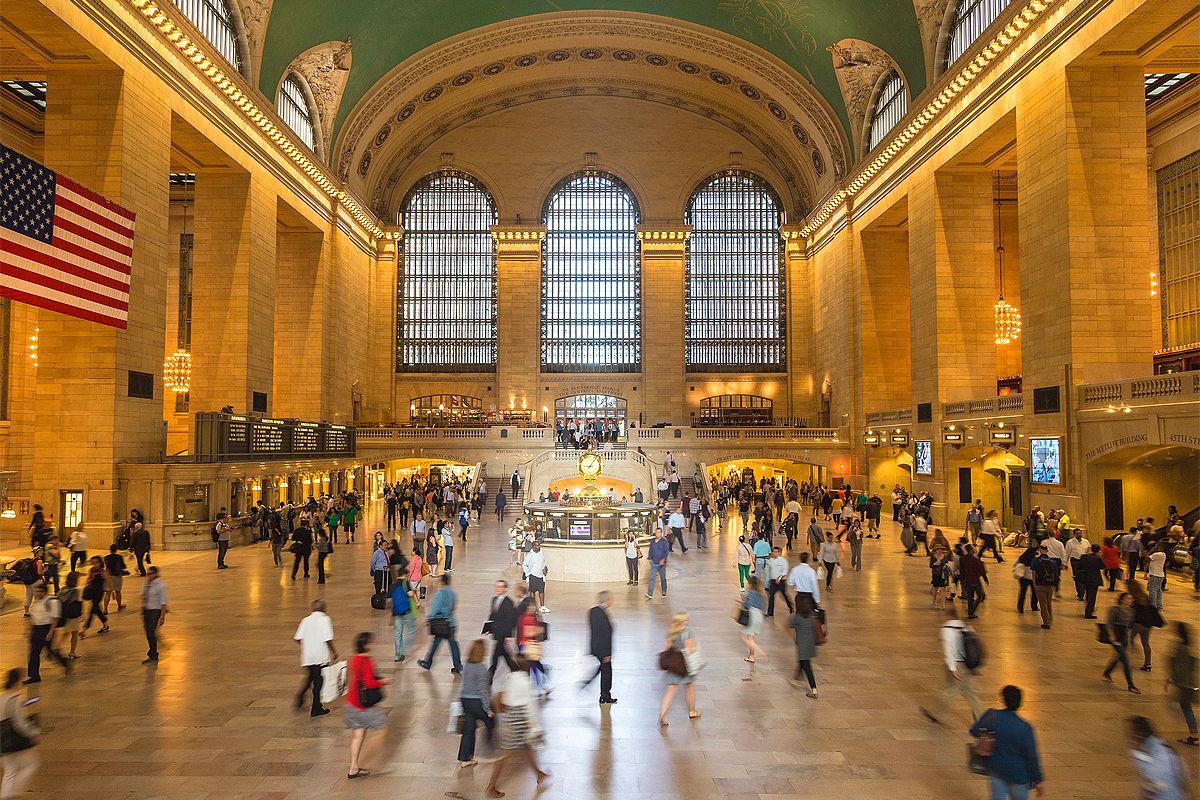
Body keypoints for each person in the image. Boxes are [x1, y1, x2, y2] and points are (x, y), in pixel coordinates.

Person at [485, 656, 548, 797]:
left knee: (527, 746)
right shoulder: (526, 682)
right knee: (505, 753)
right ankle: (491, 787)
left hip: (512, 716)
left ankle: (538, 773)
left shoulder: (511, 677)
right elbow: (530, 707)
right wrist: (537, 727)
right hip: (520, 719)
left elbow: (506, 698)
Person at [969, 685, 1045, 800]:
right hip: (1019, 775)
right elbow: (1032, 756)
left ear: (1003, 700)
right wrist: (1038, 780)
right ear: (1020, 703)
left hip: (997, 769)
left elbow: (974, 731)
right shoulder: (1025, 728)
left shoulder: (991, 715)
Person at [920, 606, 984, 724]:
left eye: (943, 613)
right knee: (971, 693)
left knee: (950, 690)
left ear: (948, 615)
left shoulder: (946, 629)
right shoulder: (964, 625)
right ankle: (981, 721)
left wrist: (952, 668)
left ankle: (935, 713)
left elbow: (949, 649)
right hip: (967, 664)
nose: (941, 615)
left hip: (957, 665)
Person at [344, 631, 388, 780]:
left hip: (351, 704)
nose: (373, 644)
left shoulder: (352, 659)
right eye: (371, 642)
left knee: (358, 735)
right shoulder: (367, 661)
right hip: (364, 706)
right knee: (381, 731)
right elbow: (370, 683)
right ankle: (372, 756)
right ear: (366, 645)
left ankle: (353, 767)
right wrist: (384, 681)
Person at [1126, 715, 1193, 800]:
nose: (1129, 741)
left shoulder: (1159, 758)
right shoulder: (1158, 746)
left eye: (1131, 736)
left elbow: (1155, 787)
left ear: (1139, 736)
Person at [1, 668, 41, 798]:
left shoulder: (2, 697)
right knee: (31, 764)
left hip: (2, 741)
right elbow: (19, 723)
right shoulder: (16, 699)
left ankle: (5, 796)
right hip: (13, 739)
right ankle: (15, 792)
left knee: (9, 771)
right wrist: (33, 733)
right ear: (18, 682)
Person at [294, 598, 337, 716]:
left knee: (311, 677)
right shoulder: (325, 619)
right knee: (318, 682)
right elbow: (328, 638)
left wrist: (307, 645)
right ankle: (316, 708)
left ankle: (301, 697)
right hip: (320, 656)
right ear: (323, 608)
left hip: (308, 656)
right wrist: (333, 652)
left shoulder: (305, 620)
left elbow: (297, 638)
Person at [457, 639, 495, 768]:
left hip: (465, 700)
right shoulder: (482, 668)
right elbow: (483, 690)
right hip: (476, 701)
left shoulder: (467, 665)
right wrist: (488, 709)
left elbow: (464, 684)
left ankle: (465, 757)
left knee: (469, 729)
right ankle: (490, 747)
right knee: (490, 722)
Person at [659, 612, 700, 726]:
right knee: (690, 687)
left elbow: (667, 649)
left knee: (670, 692)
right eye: (686, 619)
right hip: (685, 666)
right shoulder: (687, 633)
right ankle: (692, 711)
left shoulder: (670, 633)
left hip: (673, 666)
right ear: (683, 621)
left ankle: (662, 714)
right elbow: (690, 650)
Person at [419, 574, 462, 674]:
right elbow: (453, 607)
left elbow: (435, 608)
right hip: (451, 623)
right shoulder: (453, 593)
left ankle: (427, 663)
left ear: (442, 582)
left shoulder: (440, 594)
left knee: (435, 644)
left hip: (441, 624)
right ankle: (458, 665)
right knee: (453, 645)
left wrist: (429, 618)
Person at [25, 582, 67, 683]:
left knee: (50, 652)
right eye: (37, 591)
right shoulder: (38, 602)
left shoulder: (52, 601)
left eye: (40, 591)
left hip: (46, 629)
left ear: (45, 592)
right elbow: (33, 616)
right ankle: (34, 676)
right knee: (34, 652)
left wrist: (51, 632)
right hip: (36, 630)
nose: (38, 593)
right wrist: (29, 629)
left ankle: (64, 662)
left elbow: (55, 617)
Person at [1166, 621, 1199, 747]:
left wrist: (1172, 678)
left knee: (1186, 708)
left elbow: (1180, 667)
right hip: (1189, 683)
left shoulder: (1181, 648)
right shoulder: (1188, 646)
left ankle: (1194, 736)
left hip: (1186, 685)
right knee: (1186, 707)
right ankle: (1194, 734)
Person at [580, 591, 617, 705]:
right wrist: (607, 653)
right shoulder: (602, 615)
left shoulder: (593, 611)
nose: (612, 601)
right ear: (606, 600)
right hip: (603, 649)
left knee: (603, 669)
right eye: (610, 598)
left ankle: (592, 685)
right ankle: (605, 696)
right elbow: (604, 635)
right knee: (607, 673)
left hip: (596, 647)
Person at [1102, 592, 1140, 693]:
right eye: (1128, 598)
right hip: (1115, 637)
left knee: (1118, 657)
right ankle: (1131, 685)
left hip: (1124, 638)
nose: (1131, 600)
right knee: (1125, 660)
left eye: (1131, 598)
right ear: (1122, 599)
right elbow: (1108, 623)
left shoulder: (1132, 611)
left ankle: (1107, 673)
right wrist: (1112, 636)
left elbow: (1129, 626)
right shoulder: (1114, 610)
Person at [485, 580, 520, 677]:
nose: (498, 589)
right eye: (497, 587)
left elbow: (511, 621)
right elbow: (493, 615)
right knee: (505, 654)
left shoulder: (509, 602)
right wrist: (488, 627)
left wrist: (508, 636)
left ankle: (490, 675)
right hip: (497, 632)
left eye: (500, 587)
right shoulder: (494, 600)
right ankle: (515, 670)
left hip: (503, 634)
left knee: (495, 655)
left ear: (505, 589)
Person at [790, 594, 823, 698]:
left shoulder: (798, 616)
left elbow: (792, 624)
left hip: (802, 645)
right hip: (810, 644)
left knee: (807, 666)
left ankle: (814, 689)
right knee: (804, 661)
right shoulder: (811, 614)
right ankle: (797, 676)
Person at [140, 566, 168, 664]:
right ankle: (153, 651)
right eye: (148, 573)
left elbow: (163, 601)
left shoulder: (161, 585)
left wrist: (162, 616)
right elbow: (143, 595)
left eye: (151, 573)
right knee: (148, 633)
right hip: (147, 610)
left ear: (156, 574)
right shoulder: (147, 584)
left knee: (150, 632)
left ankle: (153, 654)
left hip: (155, 611)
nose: (149, 575)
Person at [55, 571, 83, 660]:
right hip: (73, 615)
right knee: (74, 633)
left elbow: (58, 598)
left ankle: (58, 647)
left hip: (65, 614)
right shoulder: (76, 590)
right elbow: (78, 602)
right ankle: (72, 651)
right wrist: (82, 614)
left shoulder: (63, 589)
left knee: (66, 632)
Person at [1030, 545, 1059, 629]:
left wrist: (1034, 583)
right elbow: (1056, 574)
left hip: (1040, 585)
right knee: (1048, 603)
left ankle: (1046, 622)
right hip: (1050, 585)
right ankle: (1050, 619)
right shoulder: (1053, 562)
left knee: (1043, 604)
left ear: (1039, 550)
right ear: (1047, 551)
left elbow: (1034, 573)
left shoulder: (1035, 560)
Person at [390, 571, 417, 662]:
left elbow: (390, 599)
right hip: (406, 611)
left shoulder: (392, 585)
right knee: (411, 629)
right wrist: (414, 591)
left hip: (396, 612)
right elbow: (410, 594)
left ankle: (397, 655)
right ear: (406, 575)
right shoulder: (405, 583)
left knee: (398, 633)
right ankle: (404, 649)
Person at [79, 556, 109, 637]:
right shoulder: (91, 570)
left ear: (100, 562)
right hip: (92, 592)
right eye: (93, 562)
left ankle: (84, 629)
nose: (95, 564)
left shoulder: (103, 572)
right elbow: (88, 580)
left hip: (99, 593)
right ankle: (105, 623)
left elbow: (108, 582)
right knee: (96, 610)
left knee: (92, 609)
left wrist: (110, 592)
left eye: (96, 562)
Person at [959, 544, 988, 619]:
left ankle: (970, 612)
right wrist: (985, 579)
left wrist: (962, 579)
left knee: (970, 597)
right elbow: (981, 570)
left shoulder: (962, 558)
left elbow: (961, 570)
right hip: (975, 580)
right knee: (980, 596)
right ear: (971, 550)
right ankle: (972, 610)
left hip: (966, 580)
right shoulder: (975, 560)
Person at [740, 578, 766, 663]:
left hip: (753, 615)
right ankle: (751, 657)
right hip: (759, 616)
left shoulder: (751, 593)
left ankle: (759, 651)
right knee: (752, 639)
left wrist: (740, 601)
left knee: (744, 638)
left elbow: (747, 605)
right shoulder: (760, 594)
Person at [1077, 544, 1105, 619]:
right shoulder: (1098, 558)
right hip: (1094, 579)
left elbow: (1079, 566)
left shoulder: (1084, 557)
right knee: (1092, 596)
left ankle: (1088, 607)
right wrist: (1100, 557)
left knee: (1088, 593)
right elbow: (1103, 566)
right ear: (1099, 550)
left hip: (1085, 578)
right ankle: (1088, 612)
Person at [766, 547, 793, 617]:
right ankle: (770, 612)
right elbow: (767, 562)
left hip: (781, 582)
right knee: (771, 596)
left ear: (779, 553)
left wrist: (779, 578)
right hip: (772, 581)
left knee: (784, 595)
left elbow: (785, 571)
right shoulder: (771, 560)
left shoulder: (783, 561)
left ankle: (790, 606)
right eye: (773, 552)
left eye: (776, 552)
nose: (774, 553)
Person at [523, 540, 549, 613]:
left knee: (541, 591)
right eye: (537, 545)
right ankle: (533, 607)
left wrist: (545, 568)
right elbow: (524, 565)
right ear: (534, 546)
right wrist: (528, 574)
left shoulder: (541, 553)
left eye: (539, 545)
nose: (539, 547)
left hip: (541, 575)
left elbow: (544, 561)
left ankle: (542, 606)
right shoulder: (530, 555)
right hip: (533, 575)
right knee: (532, 592)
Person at [102, 544, 127, 614]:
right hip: (117, 576)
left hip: (109, 576)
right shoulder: (119, 557)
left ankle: (105, 609)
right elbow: (123, 566)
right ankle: (119, 606)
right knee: (118, 592)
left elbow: (106, 567)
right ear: (116, 550)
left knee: (108, 593)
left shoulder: (106, 558)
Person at [645, 528, 669, 599]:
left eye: (658, 532)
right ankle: (650, 593)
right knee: (652, 578)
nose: (657, 534)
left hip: (662, 563)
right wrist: (650, 558)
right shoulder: (652, 541)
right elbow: (650, 550)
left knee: (663, 578)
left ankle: (664, 590)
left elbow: (666, 552)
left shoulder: (664, 541)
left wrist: (663, 559)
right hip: (654, 562)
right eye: (656, 532)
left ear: (661, 533)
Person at [1146, 545, 1167, 610]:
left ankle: (1153, 605)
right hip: (1161, 575)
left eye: (1157, 547)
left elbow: (1147, 558)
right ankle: (1159, 604)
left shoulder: (1157, 554)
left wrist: (1151, 551)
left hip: (1155, 574)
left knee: (1152, 590)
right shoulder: (1164, 554)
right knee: (1158, 590)